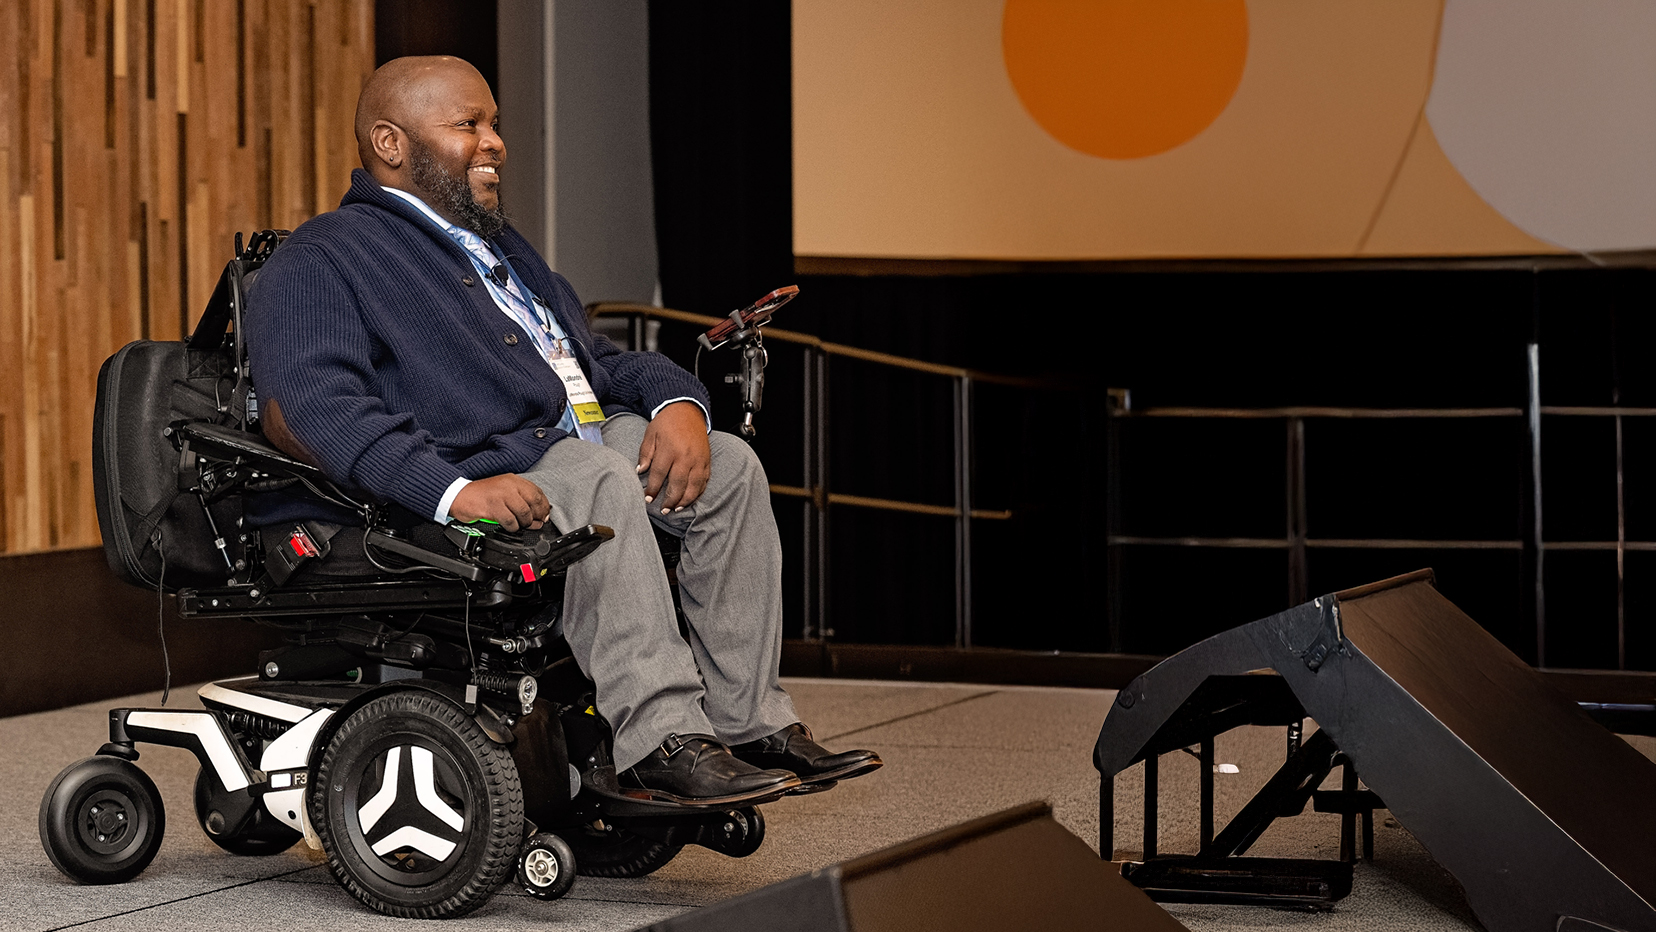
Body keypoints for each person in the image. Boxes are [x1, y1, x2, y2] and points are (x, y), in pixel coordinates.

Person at [246, 55, 879, 805]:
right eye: (468, 125)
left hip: (576, 449)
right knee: (596, 473)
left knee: (732, 464)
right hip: (475, 481)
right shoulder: (323, 257)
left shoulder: (504, 252)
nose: (495, 143)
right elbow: (320, 410)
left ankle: (749, 722)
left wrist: (680, 408)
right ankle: (663, 738)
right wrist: (454, 491)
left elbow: (597, 363)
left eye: (496, 124)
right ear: (391, 143)